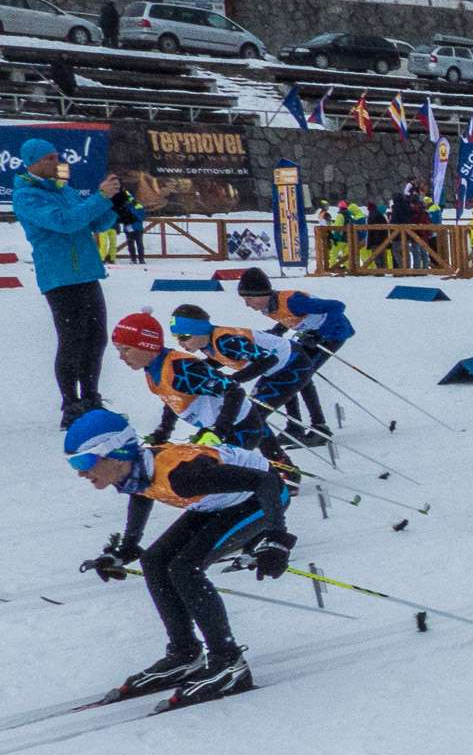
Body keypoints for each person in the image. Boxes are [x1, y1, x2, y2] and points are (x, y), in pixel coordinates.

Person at [68, 408, 298, 707]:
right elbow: (143, 493)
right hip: (217, 500)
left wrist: (277, 539)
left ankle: (228, 661)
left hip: (259, 497)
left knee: (185, 568)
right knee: (153, 561)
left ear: (116, 454)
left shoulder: (183, 475)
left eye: (84, 461)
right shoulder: (138, 470)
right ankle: (184, 654)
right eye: (74, 463)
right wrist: (127, 547)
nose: (81, 472)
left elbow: (266, 482)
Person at [13, 137, 120, 427]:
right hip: (60, 277)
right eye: (49, 158)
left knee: (96, 339)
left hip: (86, 272)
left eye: (56, 156)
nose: (56, 162)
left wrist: (111, 204)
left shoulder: (63, 187)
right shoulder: (26, 195)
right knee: (72, 341)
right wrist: (99, 199)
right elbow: (65, 222)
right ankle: (71, 405)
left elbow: (97, 222)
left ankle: (91, 398)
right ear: (32, 162)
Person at [165, 303, 307, 455]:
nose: (180, 343)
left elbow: (269, 359)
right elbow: (220, 358)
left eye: (184, 337)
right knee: (252, 412)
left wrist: (234, 379)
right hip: (278, 369)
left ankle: (278, 460)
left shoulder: (224, 340)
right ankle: (275, 456)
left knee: (254, 414)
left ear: (199, 331)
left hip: (293, 363)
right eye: (176, 337)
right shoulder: (208, 343)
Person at [235, 268, 351, 447]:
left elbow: (337, 306)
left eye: (250, 298)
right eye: (244, 299)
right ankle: (294, 427)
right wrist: (277, 332)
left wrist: (320, 335)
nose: (247, 304)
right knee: (289, 372)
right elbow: (287, 318)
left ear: (263, 293)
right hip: (310, 335)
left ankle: (320, 428)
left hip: (333, 334)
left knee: (301, 376)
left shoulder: (293, 301)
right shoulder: (269, 307)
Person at [111, 310, 254, 448]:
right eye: (119, 350)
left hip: (241, 427)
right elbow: (173, 398)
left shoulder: (182, 369)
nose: (121, 357)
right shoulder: (153, 369)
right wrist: (164, 430)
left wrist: (219, 431)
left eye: (126, 349)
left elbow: (234, 390)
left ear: (147, 346)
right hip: (218, 428)